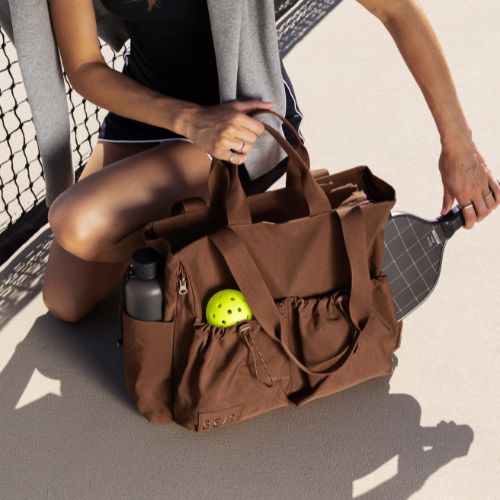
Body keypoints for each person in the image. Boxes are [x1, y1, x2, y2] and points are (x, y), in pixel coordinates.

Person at [43, 0, 499, 323]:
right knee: (65, 300)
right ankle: (224, 241)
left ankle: (236, 242)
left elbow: (395, 8)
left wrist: (459, 146)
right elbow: (85, 66)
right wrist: (189, 120)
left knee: (76, 222)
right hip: (154, 113)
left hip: (241, 119)